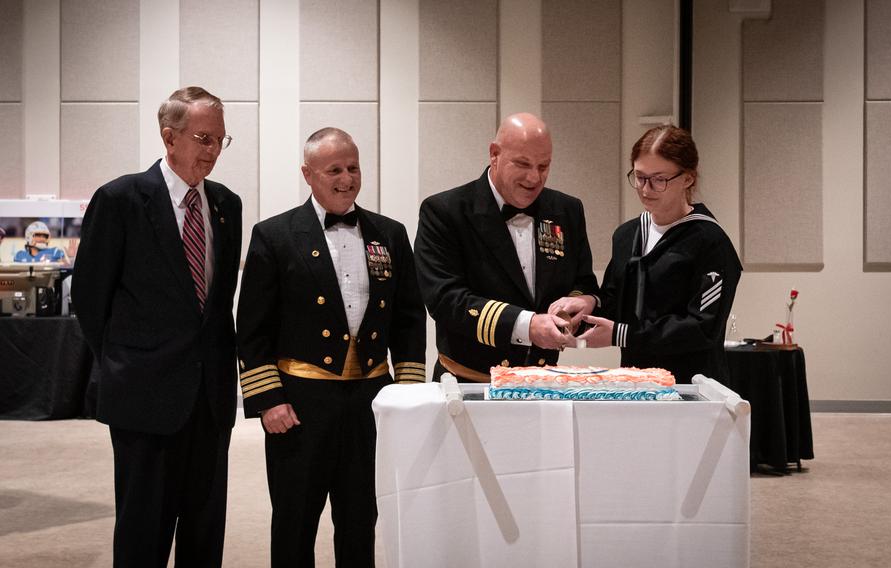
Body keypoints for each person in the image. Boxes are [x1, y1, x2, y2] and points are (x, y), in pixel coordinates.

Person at [237, 127, 425, 567]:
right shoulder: (275, 235)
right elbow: (252, 328)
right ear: (308, 174)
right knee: (294, 519)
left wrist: (409, 392)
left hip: (370, 400)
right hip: (301, 403)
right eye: (334, 170)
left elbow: (409, 318)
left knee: (361, 519)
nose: (347, 178)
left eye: (354, 167)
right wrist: (268, 400)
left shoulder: (390, 234)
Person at [72, 86, 242, 567]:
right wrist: (125, 365)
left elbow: (216, 304)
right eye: (203, 138)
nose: (211, 152)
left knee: (205, 534)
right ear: (169, 137)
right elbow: (89, 297)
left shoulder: (227, 205)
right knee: (143, 533)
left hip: (209, 399)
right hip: (143, 399)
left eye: (220, 141)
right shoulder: (121, 199)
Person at [414, 112, 598, 382]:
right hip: (470, 385)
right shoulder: (446, 212)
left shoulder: (566, 210)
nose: (534, 177)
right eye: (522, 164)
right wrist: (527, 325)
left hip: (543, 384)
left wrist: (579, 303)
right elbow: (445, 300)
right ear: (494, 154)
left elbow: (584, 282)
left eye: (543, 166)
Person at [558, 125, 742, 384]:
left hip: (690, 386)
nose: (645, 189)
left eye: (659, 180)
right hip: (636, 382)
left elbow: (702, 328)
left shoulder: (711, 243)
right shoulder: (627, 235)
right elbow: (614, 300)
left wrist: (622, 335)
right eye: (640, 177)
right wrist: (590, 303)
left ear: (687, 178)